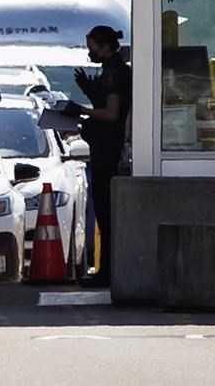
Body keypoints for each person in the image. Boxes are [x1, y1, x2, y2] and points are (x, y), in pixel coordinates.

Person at [62, 25, 132, 287]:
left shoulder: (113, 73)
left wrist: (79, 109)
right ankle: (105, 271)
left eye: (92, 48)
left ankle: (107, 273)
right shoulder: (114, 70)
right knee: (104, 212)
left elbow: (112, 113)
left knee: (105, 212)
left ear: (104, 46)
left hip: (108, 151)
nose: (89, 54)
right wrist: (90, 93)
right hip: (105, 147)